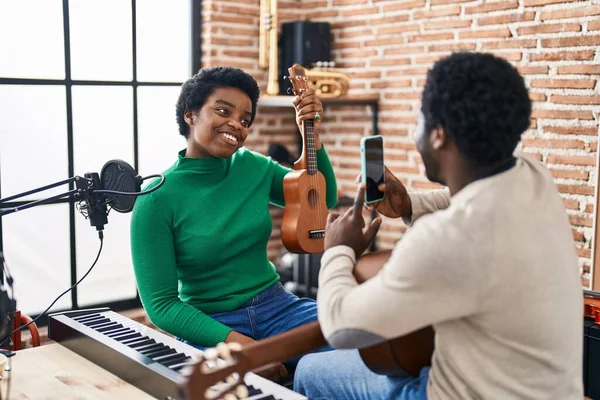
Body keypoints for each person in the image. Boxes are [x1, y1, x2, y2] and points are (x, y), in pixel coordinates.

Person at [293, 52, 583, 399]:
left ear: (438, 135)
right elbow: (470, 197)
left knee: (311, 369)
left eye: (419, 120)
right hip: (549, 388)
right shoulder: (535, 178)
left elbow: (340, 326)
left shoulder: (447, 239)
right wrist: (409, 203)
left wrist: (338, 249)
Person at [130, 66, 337, 381]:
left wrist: (312, 134)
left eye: (245, 120)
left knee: (357, 342)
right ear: (190, 114)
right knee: (221, 387)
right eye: (223, 111)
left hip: (279, 308)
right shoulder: (155, 199)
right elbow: (161, 305)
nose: (236, 125)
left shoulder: (252, 166)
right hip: (210, 324)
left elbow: (322, 200)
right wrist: (242, 347)